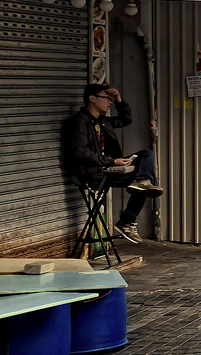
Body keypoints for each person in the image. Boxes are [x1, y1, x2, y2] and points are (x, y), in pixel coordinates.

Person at [62, 82, 162, 243]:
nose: (109, 102)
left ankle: (137, 191)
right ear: (92, 98)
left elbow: (126, 119)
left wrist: (119, 100)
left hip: (109, 168)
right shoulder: (79, 122)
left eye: (111, 99)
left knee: (147, 156)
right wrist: (112, 161)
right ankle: (128, 219)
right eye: (106, 98)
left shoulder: (103, 121)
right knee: (148, 181)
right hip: (94, 173)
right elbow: (80, 152)